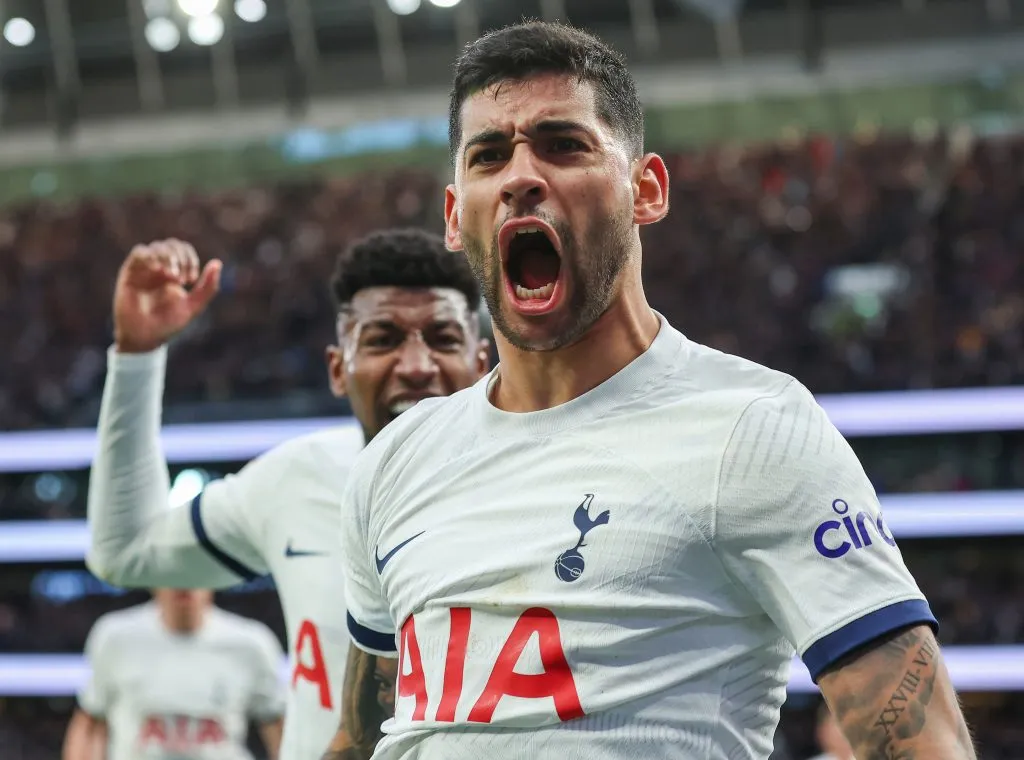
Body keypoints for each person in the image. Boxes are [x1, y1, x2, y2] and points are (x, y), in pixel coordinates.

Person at [327, 20, 976, 760]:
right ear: (453, 216)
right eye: (489, 155)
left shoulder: (751, 427)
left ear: (647, 190)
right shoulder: (396, 461)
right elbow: (360, 734)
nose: (520, 176)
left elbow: (921, 741)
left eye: (563, 144)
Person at [86, 230, 490, 759]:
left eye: (443, 339)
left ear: (482, 363)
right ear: (338, 369)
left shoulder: (536, 486)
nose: (416, 365)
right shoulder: (296, 477)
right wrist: (137, 357)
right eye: (382, 339)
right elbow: (127, 550)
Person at [62, 589, 284, 760]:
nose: (183, 581)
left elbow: (279, 731)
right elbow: (90, 726)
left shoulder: (252, 643)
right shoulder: (114, 637)